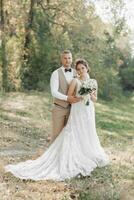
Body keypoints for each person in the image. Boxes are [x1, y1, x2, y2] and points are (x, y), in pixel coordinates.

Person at [5, 59, 109, 181]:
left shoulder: (93, 82)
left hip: (88, 110)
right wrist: (80, 96)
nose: (81, 70)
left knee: (88, 131)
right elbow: (70, 97)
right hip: (78, 110)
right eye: (79, 69)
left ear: (87, 68)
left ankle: (88, 152)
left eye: (83, 68)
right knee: (76, 131)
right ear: (77, 70)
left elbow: (95, 99)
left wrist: (90, 94)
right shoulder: (75, 81)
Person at [50, 50, 81, 142]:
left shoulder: (77, 72)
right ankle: (54, 156)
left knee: (71, 136)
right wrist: (67, 98)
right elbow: (54, 92)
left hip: (74, 109)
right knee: (56, 134)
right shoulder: (56, 73)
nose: (67, 60)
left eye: (69, 58)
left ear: (72, 59)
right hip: (59, 108)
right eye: (65, 58)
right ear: (61, 59)